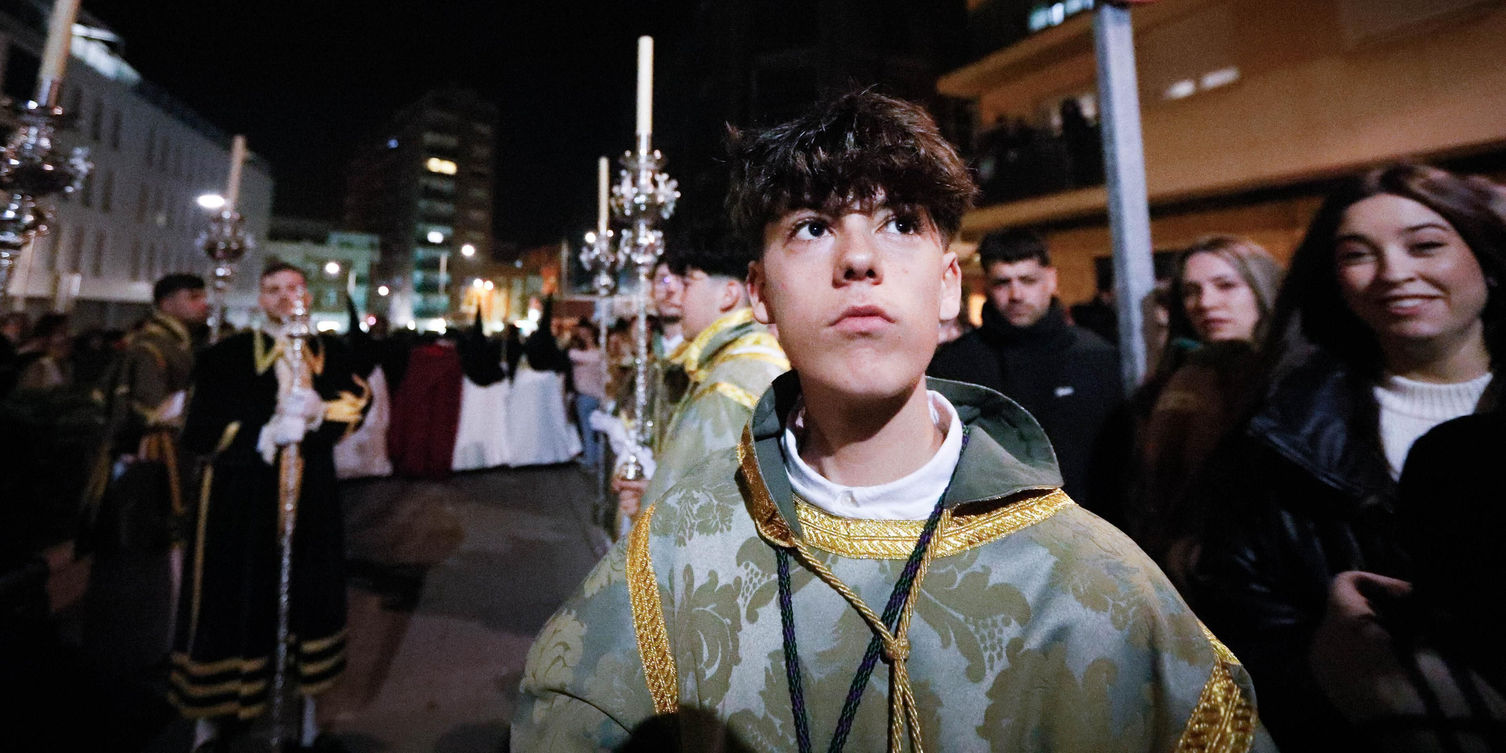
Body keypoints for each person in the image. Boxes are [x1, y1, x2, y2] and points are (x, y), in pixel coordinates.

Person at [516, 90, 1272, 752]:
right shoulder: (672, 553)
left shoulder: (1097, 580)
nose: (858, 259)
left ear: (948, 288)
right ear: (759, 295)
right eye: (811, 227)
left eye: (901, 224)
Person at [1195, 165, 1504, 750]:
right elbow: (1234, 626)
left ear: (1485, 256)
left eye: (1427, 245)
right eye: (1359, 254)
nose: (1395, 273)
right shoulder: (1274, 437)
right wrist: (1324, 669)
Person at [170, 262, 368, 750]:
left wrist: (320, 416)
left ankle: (308, 712)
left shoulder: (329, 352)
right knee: (232, 596)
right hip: (239, 497)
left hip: (310, 494)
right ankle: (213, 717)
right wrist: (261, 434)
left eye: (293, 287)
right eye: (273, 290)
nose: (284, 297)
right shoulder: (226, 356)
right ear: (260, 299)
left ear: (307, 294)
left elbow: (356, 403)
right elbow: (199, 428)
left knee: (310, 595)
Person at [928, 227, 1124, 509]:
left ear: (1051, 280)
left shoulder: (1097, 358)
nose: (1016, 294)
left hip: (1091, 525)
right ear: (986, 286)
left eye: (1028, 280)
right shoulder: (955, 365)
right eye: (1002, 283)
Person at [1127, 237, 1281, 589]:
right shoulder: (1170, 384)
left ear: (1262, 288)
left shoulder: (1300, 383)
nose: (1205, 303)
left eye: (1226, 286)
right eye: (1191, 291)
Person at [78, 275, 210, 682]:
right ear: (167, 302)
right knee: (151, 550)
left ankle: (165, 636)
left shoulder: (181, 343)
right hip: (155, 462)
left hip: (176, 457)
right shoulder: (149, 347)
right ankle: (145, 643)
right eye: (193, 296)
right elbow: (153, 409)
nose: (203, 303)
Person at [610, 222, 789, 518]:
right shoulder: (741, 361)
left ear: (728, 294)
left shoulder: (730, 381)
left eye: (690, 283)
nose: (679, 298)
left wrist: (649, 510)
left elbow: (703, 517)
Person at [568, 319, 607, 472]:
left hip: (585, 397)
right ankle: (597, 460)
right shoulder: (600, 354)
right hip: (599, 396)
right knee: (598, 432)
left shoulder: (576, 354)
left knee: (587, 431)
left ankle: (591, 461)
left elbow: (571, 354)